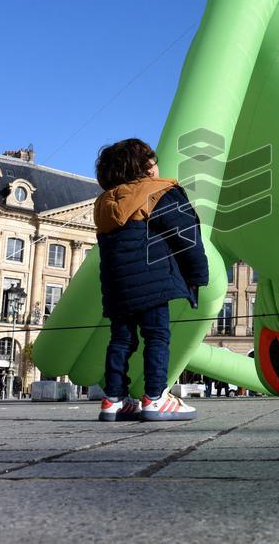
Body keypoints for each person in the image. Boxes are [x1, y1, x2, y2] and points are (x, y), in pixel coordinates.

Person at [94, 138, 209, 422]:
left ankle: (114, 399)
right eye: (152, 161)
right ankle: (156, 398)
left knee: (121, 339)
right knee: (157, 336)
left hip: (117, 285)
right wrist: (197, 276)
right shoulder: (159, 192)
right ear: (145, 166)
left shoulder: (105, 202)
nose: (156, 166)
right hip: (153, 281)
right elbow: (186, 238)